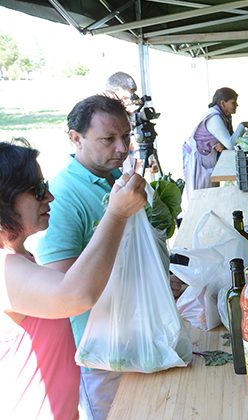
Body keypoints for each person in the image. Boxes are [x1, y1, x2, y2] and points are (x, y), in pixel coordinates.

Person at [0, 140, 146, 419]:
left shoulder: (18, 258)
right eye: (38, 190)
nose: (49, 198)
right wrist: (116, 213)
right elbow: (75, 295)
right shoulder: (3, 269)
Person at [35, 94, 143, 419]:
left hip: (132, 335)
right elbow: (63, 287)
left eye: (126, 137)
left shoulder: (114, 179)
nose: (122, 148)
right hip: (100, 354)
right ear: (75, 138)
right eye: (108, 139)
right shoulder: (64, 197)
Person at [182, 87, 248, 205]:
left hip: (207, 159)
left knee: (211, 199)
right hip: (199, 162)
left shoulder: (223, 115)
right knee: (199, 201)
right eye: (233, 102)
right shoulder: (214, 117)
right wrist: (242, 126)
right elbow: (230, 144)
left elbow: (226, 140)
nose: (237, 105)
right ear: (222, 103)